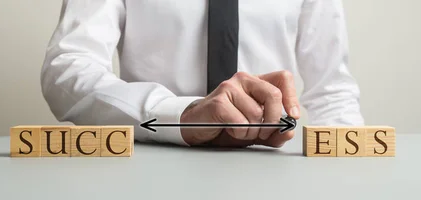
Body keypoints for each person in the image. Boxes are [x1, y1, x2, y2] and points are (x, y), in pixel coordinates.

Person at [40, 0, 364, 148]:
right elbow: (68, 67)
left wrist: (347, 175)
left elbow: (332, 90)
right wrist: (178, 115)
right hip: (150, 165)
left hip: (272, 167)